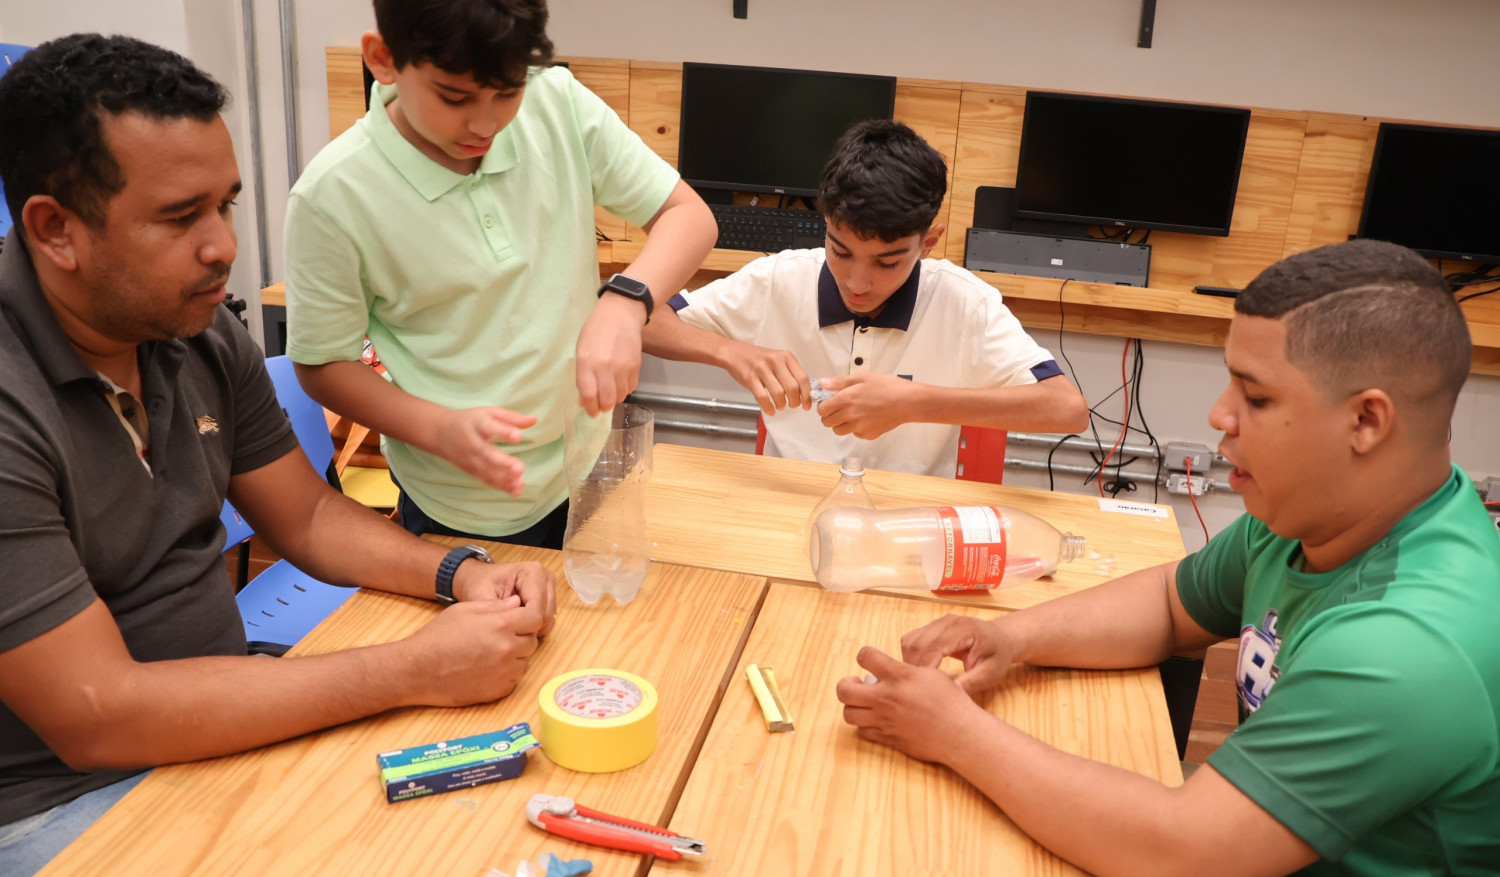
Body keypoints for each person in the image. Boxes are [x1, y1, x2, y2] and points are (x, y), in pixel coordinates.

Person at [0, 34, 557, 874]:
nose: (223, 245)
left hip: (223, 721)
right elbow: (97, 715)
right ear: (55, 230)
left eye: (225, 204)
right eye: (181, 217)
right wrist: (414, 668)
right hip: (65, 804)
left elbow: (309, 516)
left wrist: (461, 572)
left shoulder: (192, 329)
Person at [836, 239, 1500, 874]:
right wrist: (1007, 636)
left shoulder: (1407, 646)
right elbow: (1169, 603)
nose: (1219, 414)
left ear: (1366, 421)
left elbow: (1182, 853)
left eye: (1256, 397)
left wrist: (955, 732)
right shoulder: (1318, 516)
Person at [283, 0, 716, 548]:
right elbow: (324, 364)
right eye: (454, 97)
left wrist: (625, 301)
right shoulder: (332, 196)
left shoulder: (554, 101)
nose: (485, 124)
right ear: (383, 58)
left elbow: (688, 215)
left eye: (508, 92)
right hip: (460, 497)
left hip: (579, 463)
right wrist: (438, 429)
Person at [641, 119, 1088, 476]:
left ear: (928, 242)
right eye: (840, 251)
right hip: (784, 509)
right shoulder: (776, 279)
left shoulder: (963, 303)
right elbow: (643, 321)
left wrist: (914, 403)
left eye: (887, 263)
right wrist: (730, 352)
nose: (857, 282)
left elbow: (1067, 410)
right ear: (826, 225)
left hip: (908, 522)